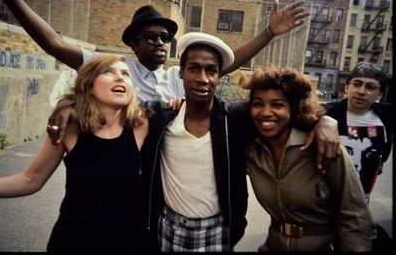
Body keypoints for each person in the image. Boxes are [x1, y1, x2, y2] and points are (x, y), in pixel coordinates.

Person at [140, 33, 340, 251]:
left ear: (219, 76)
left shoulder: (233, 119)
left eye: (211, 71)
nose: (203, 78)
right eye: (194, 68)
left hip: (217, 231)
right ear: (181, 72)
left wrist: (325, 120)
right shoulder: (160, 116)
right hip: (168, 227)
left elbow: (284, 107)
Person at [0, 0, 309, 104]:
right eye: (151, 37)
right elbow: (55, 44)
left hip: (163, 185)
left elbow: (225, 63)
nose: (161, 42)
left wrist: (268, 33)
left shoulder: (175, 79)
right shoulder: (115, 70)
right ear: (134, 44)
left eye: (166, 37)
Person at [0, 54, 151, 252]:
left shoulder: (143, 125)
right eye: (108, 72)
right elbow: (31, 179)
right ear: (89, 85)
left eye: (126, 74)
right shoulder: (69, 128)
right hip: (73, 240)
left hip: (128, 242)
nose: (120, 78)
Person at [239, 66, 376, 251]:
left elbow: (356, 219)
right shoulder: (251, 149)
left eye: (277, 104)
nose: (265, 112)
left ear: (293, 108)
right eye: (258, 104)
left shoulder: (323, 145)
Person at [325, 62, 393, 204]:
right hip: (326, 199)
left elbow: (383, 152)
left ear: (379, 94)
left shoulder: (386, 118)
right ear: (347, 87)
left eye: (370, 87)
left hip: (361, 200)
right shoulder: (326, 115)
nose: (361, 91)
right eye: (357, 84)